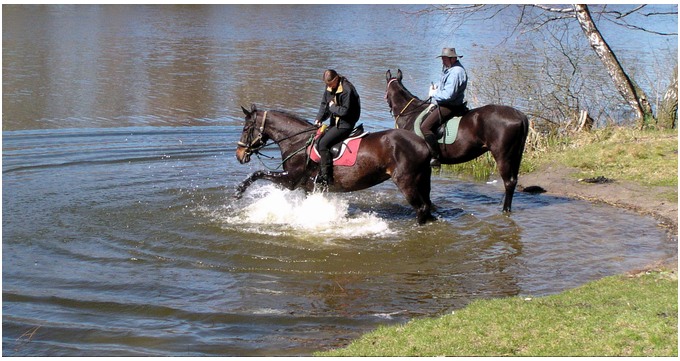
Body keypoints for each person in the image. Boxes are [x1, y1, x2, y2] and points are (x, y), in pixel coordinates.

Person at [421, 47, 468, 166]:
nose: (442, 61)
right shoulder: (451, 70)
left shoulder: (456, 72)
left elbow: (448, 95)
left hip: (450, 106)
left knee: (425, 127)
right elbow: (445, 85)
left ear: (451, 59)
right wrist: (436, 87)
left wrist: (434, 94)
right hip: (446, 103)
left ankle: (435, 157)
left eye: (444, 58)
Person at [313, 69, 361, 186]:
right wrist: (319, 118)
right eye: (326, 84)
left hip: (346, 124)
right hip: (335, 122)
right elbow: (324, 104)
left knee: (323, 144)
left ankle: (326, 177)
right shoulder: (329, 87)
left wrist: (333, 107)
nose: (328, 86)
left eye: (330, 84)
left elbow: (345, 111)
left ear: (336, 79)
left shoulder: (347, 90)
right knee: (316, 138)